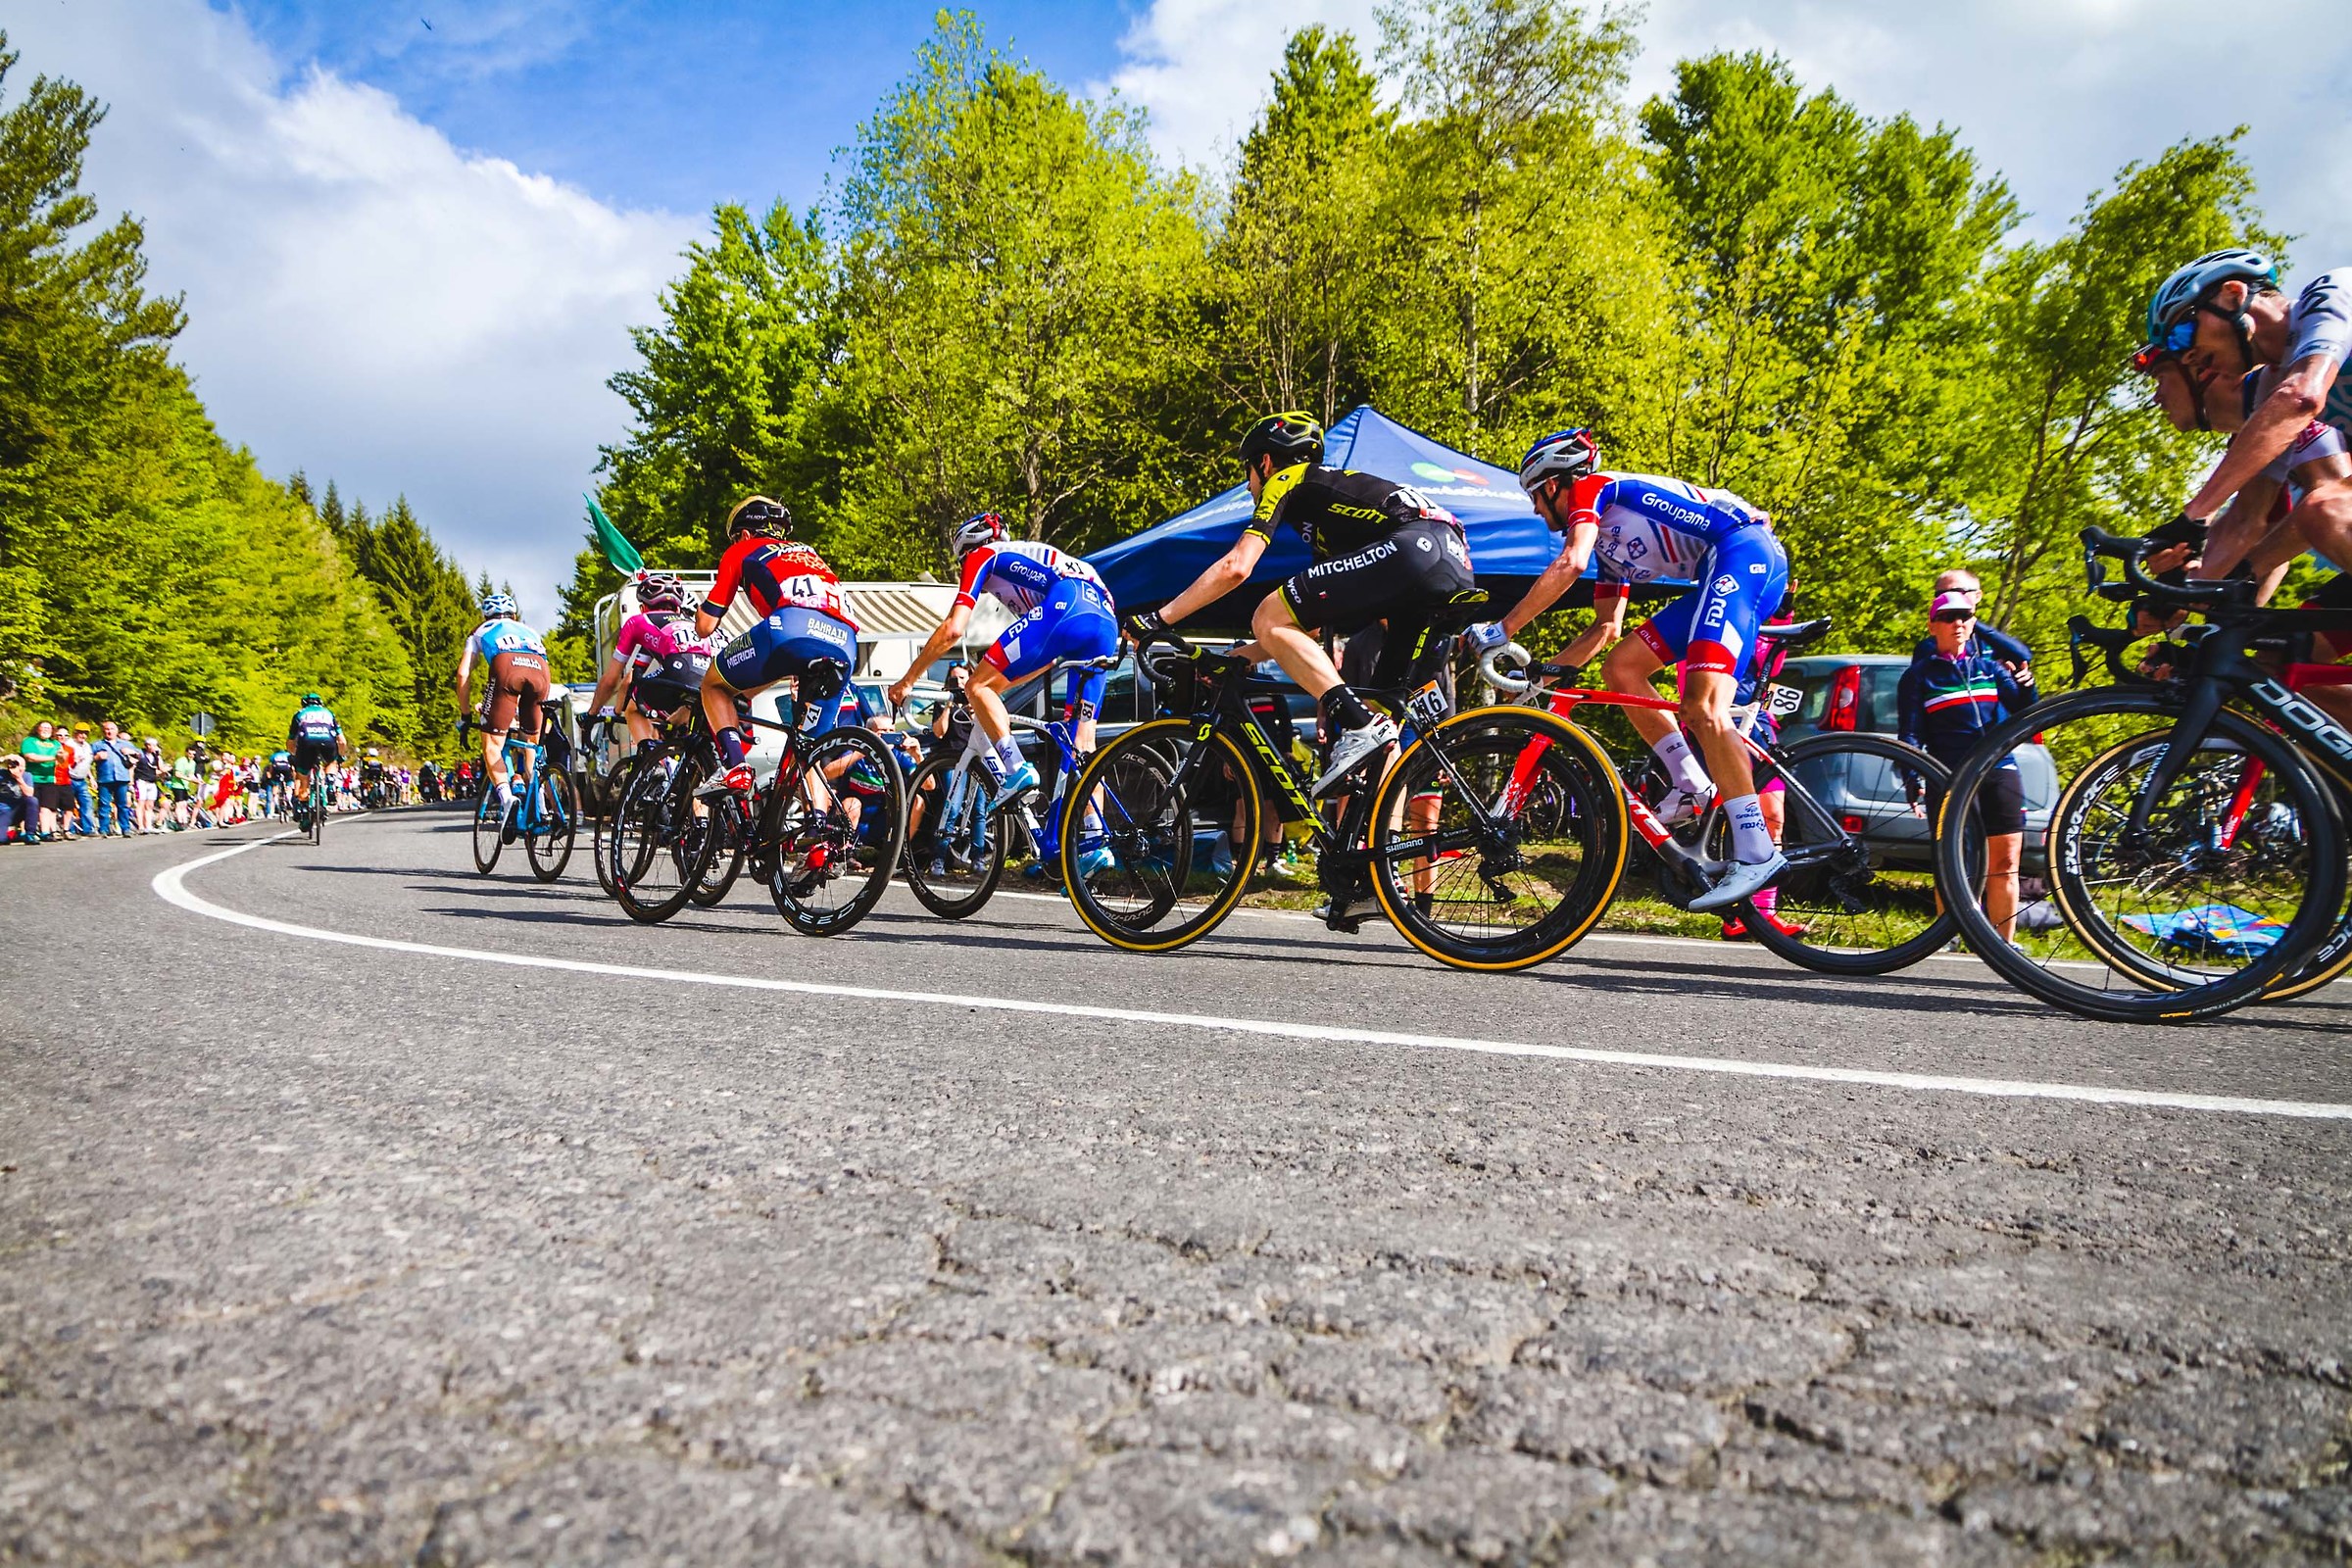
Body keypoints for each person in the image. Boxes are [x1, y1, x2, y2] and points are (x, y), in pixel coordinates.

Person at [1464, 427, 1790, 911]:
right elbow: (1605, 628)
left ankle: (1756, 852)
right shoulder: (1608, 543)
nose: (1535, 511)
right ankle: (1690, 781)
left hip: (1742, 554)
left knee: (1704, 708)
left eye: (1535, 497)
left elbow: (1570, 563)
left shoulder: (1594, 490)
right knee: (1622, 668)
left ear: (1553, 485)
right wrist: (1539, 683)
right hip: (1722, 568)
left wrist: (1502, 629)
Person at [1124, 413, 1480, 797]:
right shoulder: (1329, 516)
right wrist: (1241, 657)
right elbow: (1305, 628)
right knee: (1382, 727)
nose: (1248, 485)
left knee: (1267, 614)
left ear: (1265, 462)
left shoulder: (1287, 478)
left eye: (1248, 472)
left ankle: (1358, 724)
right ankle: (1378, 835)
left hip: (1416, 548)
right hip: (1452, 562)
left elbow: (1236, 567)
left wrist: (1158, 618)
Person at [2136, 250, 2352, 581]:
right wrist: (2188, 588)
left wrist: (2194, 515)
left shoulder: (2333, 291)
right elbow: (2243, 519)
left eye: (2182, 334)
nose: (2188, 357)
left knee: (2325, 509)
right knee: (2323, 513)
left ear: (2233, 294)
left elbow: (2302, 397)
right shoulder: (2271, 389)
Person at [886, 512, 1119, 808]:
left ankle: (1016, 768)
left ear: (967, 550)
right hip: (1106, 619)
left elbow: (953, 629)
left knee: (976, 685)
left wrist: (908, 680)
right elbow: (1045, 662)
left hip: (1069, 602)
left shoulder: (983, 555)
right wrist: (995, 689)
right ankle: (1093, 833)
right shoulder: (1025, 567)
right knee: (1082, 747)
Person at [694, 496, 858, 796]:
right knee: (806, 756)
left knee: (714, 686)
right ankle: (819, 824)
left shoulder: (742, 550)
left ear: (744, 534)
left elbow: (705, 627)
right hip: (845, 643)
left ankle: (734, 767)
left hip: (792, 628)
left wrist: (696, 611)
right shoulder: (808, 552)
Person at [1899, 590, 2033, 947]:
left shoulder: (1990, 668)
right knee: (1954, 860)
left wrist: (2027, 687)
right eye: (1948, 617)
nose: (1957, 623)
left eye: (1964, 616)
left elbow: (2023, 709)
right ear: (1932, 626)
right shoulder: (1919, 676)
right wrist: (1911, 776)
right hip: (1949, 773)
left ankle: (2003, 942)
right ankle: (1949, 936)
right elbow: (1910, 733)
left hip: (1999, 767)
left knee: (2006, 859)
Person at [453, 592, 554, 836]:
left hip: (506, 668)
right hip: (541, 672)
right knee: (530, 746)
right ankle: (541, 804)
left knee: (492, 746)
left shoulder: (479, 631)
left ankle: (508, 799)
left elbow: (463, 674)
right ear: (514, 616)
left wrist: (465, 715)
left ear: (486, 616)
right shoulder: (530, 631)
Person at [586, 570, 711, 750]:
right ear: (677, 609)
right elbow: (636, 673)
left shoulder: (639, 621)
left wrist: (593, 714)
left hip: (679, 669)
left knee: (634, 708)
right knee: (683, 717)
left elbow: (614, 680)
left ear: (643, 608)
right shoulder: (690, 624)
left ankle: (650, 757)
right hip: (709, 678)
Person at [286, 693, 346, 814]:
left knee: (303, 775)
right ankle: (330, 784)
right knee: (331, 762)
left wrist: (295, 754)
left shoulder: (299, 714)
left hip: (306, 742)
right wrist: (340, 756)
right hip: (327, 741)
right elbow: (342, 741)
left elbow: (291, 740)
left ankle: (304, 804)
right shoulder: (329, 713)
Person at [20, 720, 65, 839]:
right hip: (31, 778)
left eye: (49, 728)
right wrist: (53, 757)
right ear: (37, 729)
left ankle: (45, 832)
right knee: (30, 806)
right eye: (43, 727)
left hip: (49, 779)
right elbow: (30, 757)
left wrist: (61, 757)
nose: (46, 730)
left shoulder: (55, 743)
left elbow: (61, 760)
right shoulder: (29, 741)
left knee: (47, 807)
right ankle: (26, 832)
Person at [90, 720, 135, 837]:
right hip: (105, 778)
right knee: (104, 805)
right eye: (107, 729)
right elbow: (87, 760)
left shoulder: (125, 744)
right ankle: (103, 829)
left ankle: (125, 828)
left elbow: (140, 755)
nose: (109, 731)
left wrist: (131, 752)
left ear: (117, 730)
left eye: (112, 729)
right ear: (103, 731)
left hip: (122, 777)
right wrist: (96, 757)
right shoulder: (97, 745)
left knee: (122, 805)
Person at [61, 726, 94, 837]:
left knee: (87, 803)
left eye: (85, 733)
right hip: (69, 778)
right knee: (68, 805)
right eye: (80, 733)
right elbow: (62, 763)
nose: (83, 735)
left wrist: (91, 777)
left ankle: (88, 829)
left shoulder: (87, 746)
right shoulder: (69, 745)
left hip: (82, 779)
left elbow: (86, 764)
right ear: (75, 733)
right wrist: (74, 761)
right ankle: (69, 830)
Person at [0, 753, 33, 844]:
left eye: (20, 765)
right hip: (3, 811)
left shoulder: (27, 776)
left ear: (24, 767)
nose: (17, 768)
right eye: (13, 764)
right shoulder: (2, 774)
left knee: (32, 801)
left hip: (18, 811)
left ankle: (30, 834)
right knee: (1, 839)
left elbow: (29, 794)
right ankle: (11, 835)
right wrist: (3, 759)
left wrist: (18, 778)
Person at [133, 736, 163, 833]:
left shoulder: (155, 756)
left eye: (154, 745)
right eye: (150, 745)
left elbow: (161, 768)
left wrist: (159, 756)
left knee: (150, 805)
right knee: (141, 803)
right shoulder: (140, 754)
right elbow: (132, 767)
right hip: (141, 781)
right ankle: (141, 826)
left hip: (151, 781)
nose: (152, 747)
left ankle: (148, 826)